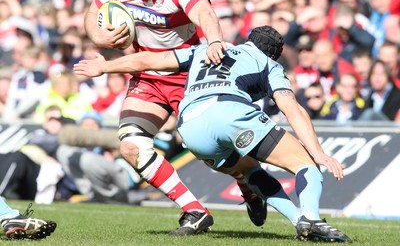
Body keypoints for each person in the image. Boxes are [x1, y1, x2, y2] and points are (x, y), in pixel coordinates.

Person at [74, 25, 352, 242]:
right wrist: (318, 153)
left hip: (191, 127)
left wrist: (104, 67)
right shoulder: (269, 64)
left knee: (249, 169)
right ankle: (312, 219)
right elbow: (292, 109)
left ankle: (296, 221)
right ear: (274, 53)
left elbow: (150, 60)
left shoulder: (205, 49)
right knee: (304, 163)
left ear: (248, 39)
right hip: (229, 112)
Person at [82, 0, 227, 235]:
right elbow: (92, 12)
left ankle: (248, 183)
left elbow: (205, 13)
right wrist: (99, 38)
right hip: (146, 74)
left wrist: (214, 40)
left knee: (212, 150)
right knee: (131, 146)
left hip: (187, 74)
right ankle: (195, 211)